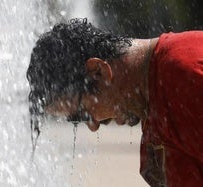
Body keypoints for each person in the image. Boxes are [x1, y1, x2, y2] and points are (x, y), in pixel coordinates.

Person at [27, 18, 203, 187]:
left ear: (99, 72)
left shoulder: (183, 78)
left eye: (83, 114)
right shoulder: (157, 101)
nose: (93, 126)